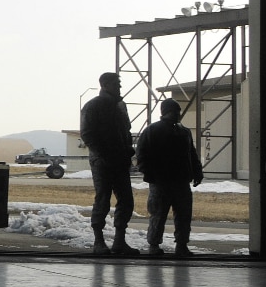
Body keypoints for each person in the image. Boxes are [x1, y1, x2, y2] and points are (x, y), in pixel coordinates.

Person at [135, 98, 203, 255]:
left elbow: (191, 154)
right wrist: (150, 174)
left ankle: (181, 244)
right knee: (158, 215)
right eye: (175, 111)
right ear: (166, 112)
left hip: (179, 181)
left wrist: (197, 171)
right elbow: (142, 155)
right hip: (161, 182)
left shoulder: (183, 131)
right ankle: (154, 245)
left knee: (183, 216)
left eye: (178, 111)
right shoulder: (153, 131)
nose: (178, 114)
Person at [80, 72, 137, 255]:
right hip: (102, 161)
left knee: (126, 201)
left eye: (119, 84)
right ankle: (99, 241)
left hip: (120, 161)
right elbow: (87, 134)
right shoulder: (93, 106)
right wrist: (103, 154)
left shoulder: (120, 106)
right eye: (116, 84)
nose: (119, 87)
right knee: (103, 199)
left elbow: (126, 131)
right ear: (104, 85)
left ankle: (119, 241)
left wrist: (128, 150)